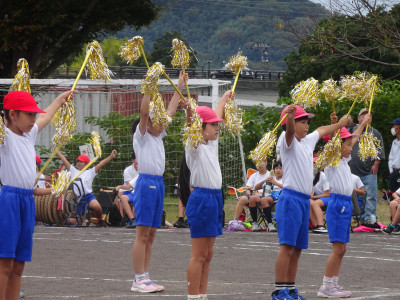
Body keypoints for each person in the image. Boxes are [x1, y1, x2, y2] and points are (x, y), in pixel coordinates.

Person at [0, 89, 74, 300]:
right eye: (28, 114)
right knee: (5, 262)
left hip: (27, 201)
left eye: (34, 114)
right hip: (9, 201)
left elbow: (47, 116)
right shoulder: (4, 137)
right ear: (13, 115)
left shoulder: (29, 134)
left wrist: (60, 100)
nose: (34, 119)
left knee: (19, 264)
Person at [272, 104, 349, 300]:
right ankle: (279, 290)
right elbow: (289, 130)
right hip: (290, 198)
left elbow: (322, 130)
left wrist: (338, 124)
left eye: (307, 122)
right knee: (287, 247)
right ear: (291, 123)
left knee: (297, 249)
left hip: (304, 201)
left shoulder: (307, 141)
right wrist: (290, 117)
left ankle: (290, 289)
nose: (306, 126)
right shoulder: (286, 140)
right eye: (302, 122)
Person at [129, 71, 186, 293]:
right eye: (157, 119)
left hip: (158, 184)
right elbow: (144, 112)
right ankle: (138, 278)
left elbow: (171, 109)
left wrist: (179, 85)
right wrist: (149, 89)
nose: (162, 123)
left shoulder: (158, 134)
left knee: (152, 233)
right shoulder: (141, 135)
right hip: (146, 184)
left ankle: (145, 276)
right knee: (143, 232)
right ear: (149, 121)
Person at [184, 90, 233, 300]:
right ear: (200, 127)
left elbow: (217, 113)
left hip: (214, 198)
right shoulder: (193, 146)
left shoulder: (211, 143)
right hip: (202, 198)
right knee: (199, 255)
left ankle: (202, 294)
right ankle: (193, 296)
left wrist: (223, 99)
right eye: (213, 125)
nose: (217, 127)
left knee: (209, 254)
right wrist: (189, 114)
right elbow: (191, 129)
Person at [317, 113, 371, 298]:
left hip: (345, 204)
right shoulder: (332, 160)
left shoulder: (343, 160)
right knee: (338, 248)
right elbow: (334, 142)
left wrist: (363, 124)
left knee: (342, 249)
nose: (350, 148)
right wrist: (335, 124)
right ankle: (326, 286)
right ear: (337, 147)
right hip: (338, 204)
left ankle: (333, 282)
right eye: (346, 145)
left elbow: (353, 139)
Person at [56, 150, 117, 227]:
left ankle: (99, 219)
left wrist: (111, 156)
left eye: (81, 162)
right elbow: (64, 160)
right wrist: (57, 151)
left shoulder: (90, 172)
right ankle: (62, 219)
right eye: (78, 161)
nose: (78, 163)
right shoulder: (73, 171)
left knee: (97, 206)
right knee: (77, 223)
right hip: (78, 198)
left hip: (88, 196)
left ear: (86, 164)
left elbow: (101, 164)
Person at [348, 108, 385, 227]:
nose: (367, 117)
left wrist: (376, 164)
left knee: (370, 196)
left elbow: (380, 151)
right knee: (350, 195)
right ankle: (353, 218)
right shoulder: (352, 130)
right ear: (359, 118)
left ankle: (369, 219)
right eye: (363, 115)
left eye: (369, 116)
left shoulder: (375, 133)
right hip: (352, 171)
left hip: (369, 171)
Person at [230, 159, 270, 231]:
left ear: (266, 163)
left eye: (261, 163)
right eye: (257, 163)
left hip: (264, 196)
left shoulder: (270, 175)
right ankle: (235, 222)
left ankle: (255, 222)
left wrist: (258, 193)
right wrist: (250, 194)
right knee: (242, 198)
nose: (259, 165)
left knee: (255, 198)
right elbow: (248, 188)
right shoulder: (253, 176)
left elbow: (271, 190)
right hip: (253, 194)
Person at [253, 160, 283, 232]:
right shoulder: (272, 178)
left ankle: (270, 223)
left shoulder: (286, 179)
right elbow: (256, 188)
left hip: (278, 194)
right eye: (276, 168)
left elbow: (288, 188)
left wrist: (275, 183)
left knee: (264, 199)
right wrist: (264, 181)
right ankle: (255, 222)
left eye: (280, 168)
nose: (278, 170)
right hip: (268, 194)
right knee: (252, 198)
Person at [113, 153, 139, 228]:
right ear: (132, 160)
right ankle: (125, 219)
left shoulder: (143, 172)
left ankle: (132, 218)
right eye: (137, 159)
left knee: (136, 198)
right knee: (120, 195)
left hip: (140, 192)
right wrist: (119, 187)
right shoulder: (128, 170)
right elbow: (129, 186)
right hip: (131, 191)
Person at [310, 159, 330, 234]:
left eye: (315, 165)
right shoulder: (310, 176)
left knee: (315, 203)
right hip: (318, 198)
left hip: (328, 198)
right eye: (312, 164)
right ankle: (316, 225)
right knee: (308, 202)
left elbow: (328, 194)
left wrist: (314, 197)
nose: (313, 166)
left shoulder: (323, 175)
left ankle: (321, 225)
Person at [388, 118, 400, 194]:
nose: (393, 128)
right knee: (393, 195)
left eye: (394, 126)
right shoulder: (394, 142)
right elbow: (391, 157)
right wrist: (391, 171)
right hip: (394, 172)